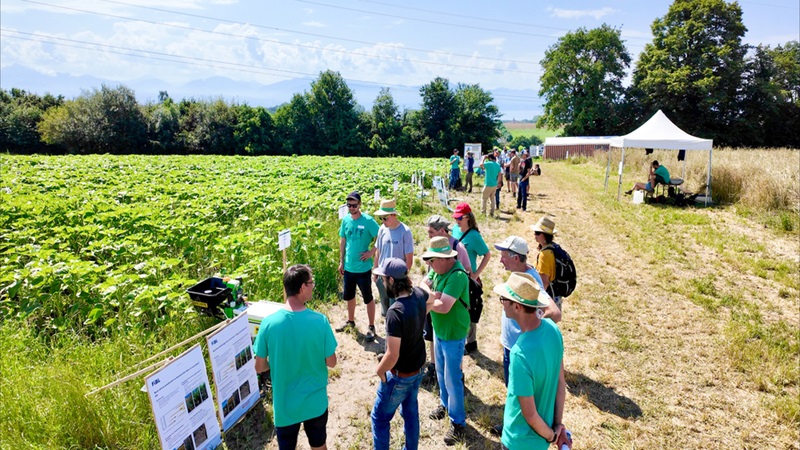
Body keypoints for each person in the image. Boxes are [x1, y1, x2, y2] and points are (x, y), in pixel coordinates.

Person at [254, 264, 338, 450]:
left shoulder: (268, 324)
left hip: (285, 406)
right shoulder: (320, 321)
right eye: (311, 282)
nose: (313, 285)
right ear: (302, 288)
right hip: (315, 403)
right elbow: (331, 362)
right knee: (319, 445)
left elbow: (259, 367)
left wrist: (275, 363)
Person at [491, 236, 562, 436]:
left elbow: (554, 313)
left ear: (515, 258)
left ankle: (523, 428)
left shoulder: (530, 281)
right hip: (512, 347)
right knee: (514, 391)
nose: (500, 260)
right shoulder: (518, 275)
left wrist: (529, 329)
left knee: (524, 394)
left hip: (520, 350)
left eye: (504, 256)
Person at [496, 272, 566, 450]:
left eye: (504, 299)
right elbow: (560, 383)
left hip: (518, 441)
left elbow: (530, 415)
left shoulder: (520, 353)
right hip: (540, 441)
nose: (502, 303)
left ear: (517, 306)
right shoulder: (553, 330)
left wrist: (552, 436)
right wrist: (557, 425)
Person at [371, 258, 429, 450]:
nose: (381, 282)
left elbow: (392, 355)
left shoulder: (395, 312)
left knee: (379, 418)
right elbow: (433, 301)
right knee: (411, 412)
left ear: (391, 281)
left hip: (400, 375)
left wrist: (380, 371)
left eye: (383, 279)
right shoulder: (419, 295)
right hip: (418, 368)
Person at [418, 236, 470, 446]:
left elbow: (444, 306)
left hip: (454, 333)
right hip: (440, 330)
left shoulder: (457, 275)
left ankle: (458, 423)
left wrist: (429, 300)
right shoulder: (437, 269)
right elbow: (423, 285)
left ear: (445, 258)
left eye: (432, 260)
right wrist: (433, 296)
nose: (429, 264)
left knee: (452, 377)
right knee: (440, 371)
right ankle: (445, 404)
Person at [423, 215, 473, 384]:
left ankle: (456, 390)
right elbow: (424, 282)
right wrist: (431, 296)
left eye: (432, 232)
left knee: (452, 372)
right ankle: (436, 372)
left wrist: (432, 297)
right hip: (440, 322)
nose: (429, 236)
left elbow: (467, 271)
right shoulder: (435, 259)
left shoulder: (457, 251)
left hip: (453, 320)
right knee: (433, 339)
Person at [337, 191, 380, 340]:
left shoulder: (368, 220)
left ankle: (371, 326)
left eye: (354, 205)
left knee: (368, 297)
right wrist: (341, 261)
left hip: (363, 268)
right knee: (349, 296)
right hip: (348, 267)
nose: (351, 208)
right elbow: (343, 241)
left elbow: (381, 235)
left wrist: (372, 252)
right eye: (349, 205)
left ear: (360, 205)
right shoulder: (346, 220)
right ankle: (350, 321)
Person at [451, 202, 491, 354]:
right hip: (455, 276)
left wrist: (476, 274)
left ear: (467, 217)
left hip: (469, 278)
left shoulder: (474, 236)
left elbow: (487, 255)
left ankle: (471, 342)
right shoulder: (455, 230)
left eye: (459, 218)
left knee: (469, 309)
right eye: (455, 217)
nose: (456, 221)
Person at [373, 199, 414, 318]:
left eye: (385, 218)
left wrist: (403, 278)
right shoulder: (382, 229)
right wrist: (375, 271)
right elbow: (378, 252)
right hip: (382, 277)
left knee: (396, 310)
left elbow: (409, 259)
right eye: (381, 218)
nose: (383, 221)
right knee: (385, 310)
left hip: (396, 279)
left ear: (394, 215)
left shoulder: (405, 231)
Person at [531, 216, 562, 310]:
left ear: (545, 235)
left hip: (547, 299)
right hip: (556, 296)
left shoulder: (545, 254)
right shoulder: (553, 247)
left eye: (537, 233)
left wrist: (536, 301)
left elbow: (544, 282)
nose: (534, 235)